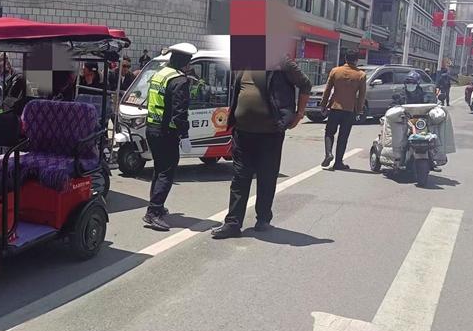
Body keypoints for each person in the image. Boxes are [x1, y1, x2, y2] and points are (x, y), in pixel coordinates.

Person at [211, 57, 312, 239]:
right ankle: (233, 223)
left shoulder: (281, 62)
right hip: (242, 133)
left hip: (270, 134)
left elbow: (306, 84)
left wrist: (299, 114)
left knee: (267, 177)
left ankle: (263, 219)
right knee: (239, 178)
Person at [143, 43, 196, 231]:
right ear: (185, 63)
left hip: (152, 128)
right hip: (167, 133)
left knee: (159, 169)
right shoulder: (179, 81)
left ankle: (156, 206)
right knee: (166, 172)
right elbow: (179, 112)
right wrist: (185, 135)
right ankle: (153, 212)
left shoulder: (160, 74)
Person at [319, 49, 367, 170]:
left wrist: (323, 104)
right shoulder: (361, 75)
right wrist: (359, 110)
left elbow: (327, 90)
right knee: (343, 136)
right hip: (349, 110)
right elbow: (361, 95)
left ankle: (328, 154)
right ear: (357, 60)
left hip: (335, 107)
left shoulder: (335, 71)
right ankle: (338, 162)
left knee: (329, 132)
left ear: (345, 58)